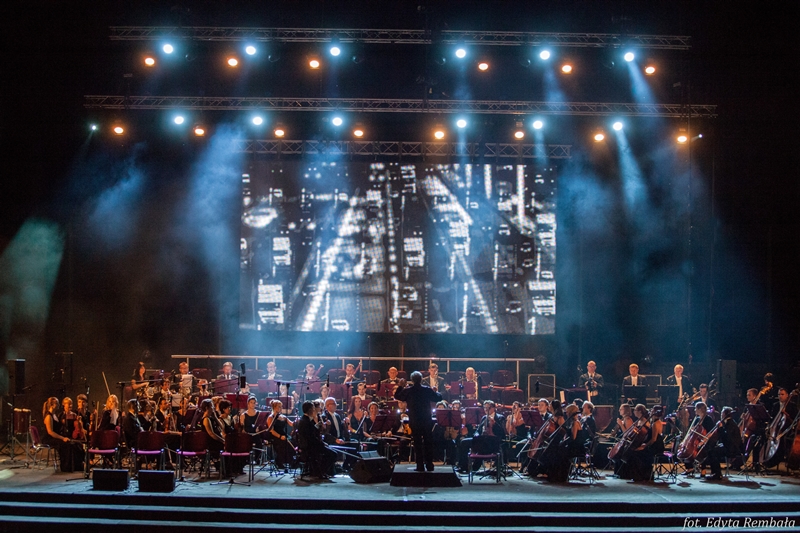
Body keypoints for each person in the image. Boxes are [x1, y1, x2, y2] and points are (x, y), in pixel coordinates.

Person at [394, 372, 443, 472]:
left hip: (415, 420)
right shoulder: (426, 390)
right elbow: (439, 398)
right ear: (421, 379)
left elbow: (397, 396)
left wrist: (400, 386)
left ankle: (420, 465)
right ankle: (429, 465)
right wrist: (435, 391)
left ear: (412, 380)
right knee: (428, 442)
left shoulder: (408, 390)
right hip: (426, 420)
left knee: (417, 443)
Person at [457, 400, 506, 473]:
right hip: (481, 439)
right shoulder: (484, 417)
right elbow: (478, 430)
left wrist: (494, 424)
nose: (486, 409)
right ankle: (463, 466)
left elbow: (502, 433)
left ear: (493, 408)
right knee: (464, 442)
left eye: (488, 408)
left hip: (492, 441)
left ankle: (474, 467)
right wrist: (476, 435)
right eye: (484, 408)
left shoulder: (500, 417)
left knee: (480, 446)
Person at [295, 401, 337, 478]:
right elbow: (311, 437)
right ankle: (320, 472)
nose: (314, 410)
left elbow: (312, 433)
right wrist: (322, 443)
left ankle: (319, 471)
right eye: (313, 408)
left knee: (331, 452)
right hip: (310, 447)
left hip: (312, 445)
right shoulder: (305, 421)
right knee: (333, 454)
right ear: (310, 410)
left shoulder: (306, 420)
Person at [42, 397, 83, 472]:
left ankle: (76, 466)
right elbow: (50, 432)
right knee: (65, 445)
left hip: (54, 437)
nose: (59, 405)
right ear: (52, 405)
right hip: (49, 438)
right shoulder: (48, 416)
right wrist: (62, 438)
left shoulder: (54, 415)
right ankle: (66, 467)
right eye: (57, 403)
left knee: (74, 444)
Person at [266, 399, 295, 471]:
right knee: (281, 443)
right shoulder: (270, 417)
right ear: (274, 407)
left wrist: (297, 422)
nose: (281, 408)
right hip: (275, 436)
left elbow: (291, 424)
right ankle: (279, 462)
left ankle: (290, 462)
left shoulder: (283, 417)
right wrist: (280, 436)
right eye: (279, 407)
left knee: (292, 441)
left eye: (281, 407)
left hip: (283, 434)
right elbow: (271, 430)